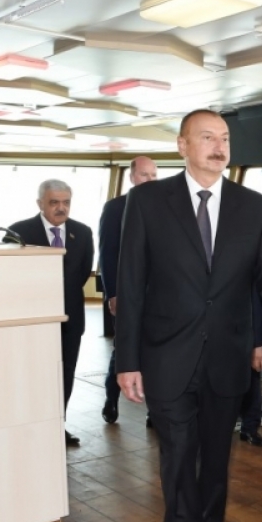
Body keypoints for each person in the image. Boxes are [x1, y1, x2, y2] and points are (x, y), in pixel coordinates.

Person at [114, 109, 262, 522]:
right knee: (179, 468)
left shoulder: (253, 207)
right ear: (183, 146)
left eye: (224, 138)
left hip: (227, 359)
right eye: (207, 137)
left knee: (216, 466)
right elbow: (130, 284)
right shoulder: (147, 202)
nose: (219, 147)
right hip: (166, 359)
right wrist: (127, 361)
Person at [8, 180, 94, 447]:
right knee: (32, 374)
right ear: (40, 204)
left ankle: (58, 425)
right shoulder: (18, 232)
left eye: (66, 202)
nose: (61, 208)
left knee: (64, 374)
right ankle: (29, 427)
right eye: (54, 202)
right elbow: (12, 277)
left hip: (71, 318)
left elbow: (81, 273)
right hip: (32, 319)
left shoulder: (82, 232)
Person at [98, 156, 157, 428]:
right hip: (126, 292)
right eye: (144, 175)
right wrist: (113, 293)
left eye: (153, 175)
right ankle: (111, 398)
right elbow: (107, 252)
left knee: (157, 350)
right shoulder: (115, 208)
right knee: (124, 346)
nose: (150, 180)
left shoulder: (165, 207)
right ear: (132, 177)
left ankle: (154, 409)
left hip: (158, 294)